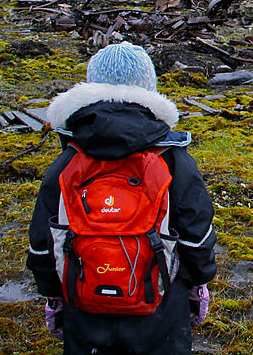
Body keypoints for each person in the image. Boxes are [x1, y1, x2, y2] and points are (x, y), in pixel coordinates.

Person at [26, 42, 216, 354]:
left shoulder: (67, 162)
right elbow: (197, 236)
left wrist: (53, 296)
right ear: (148, 89)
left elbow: (41, 242)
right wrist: (198, 285)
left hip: (84, 304)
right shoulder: (173, 160)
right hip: (161, 309)